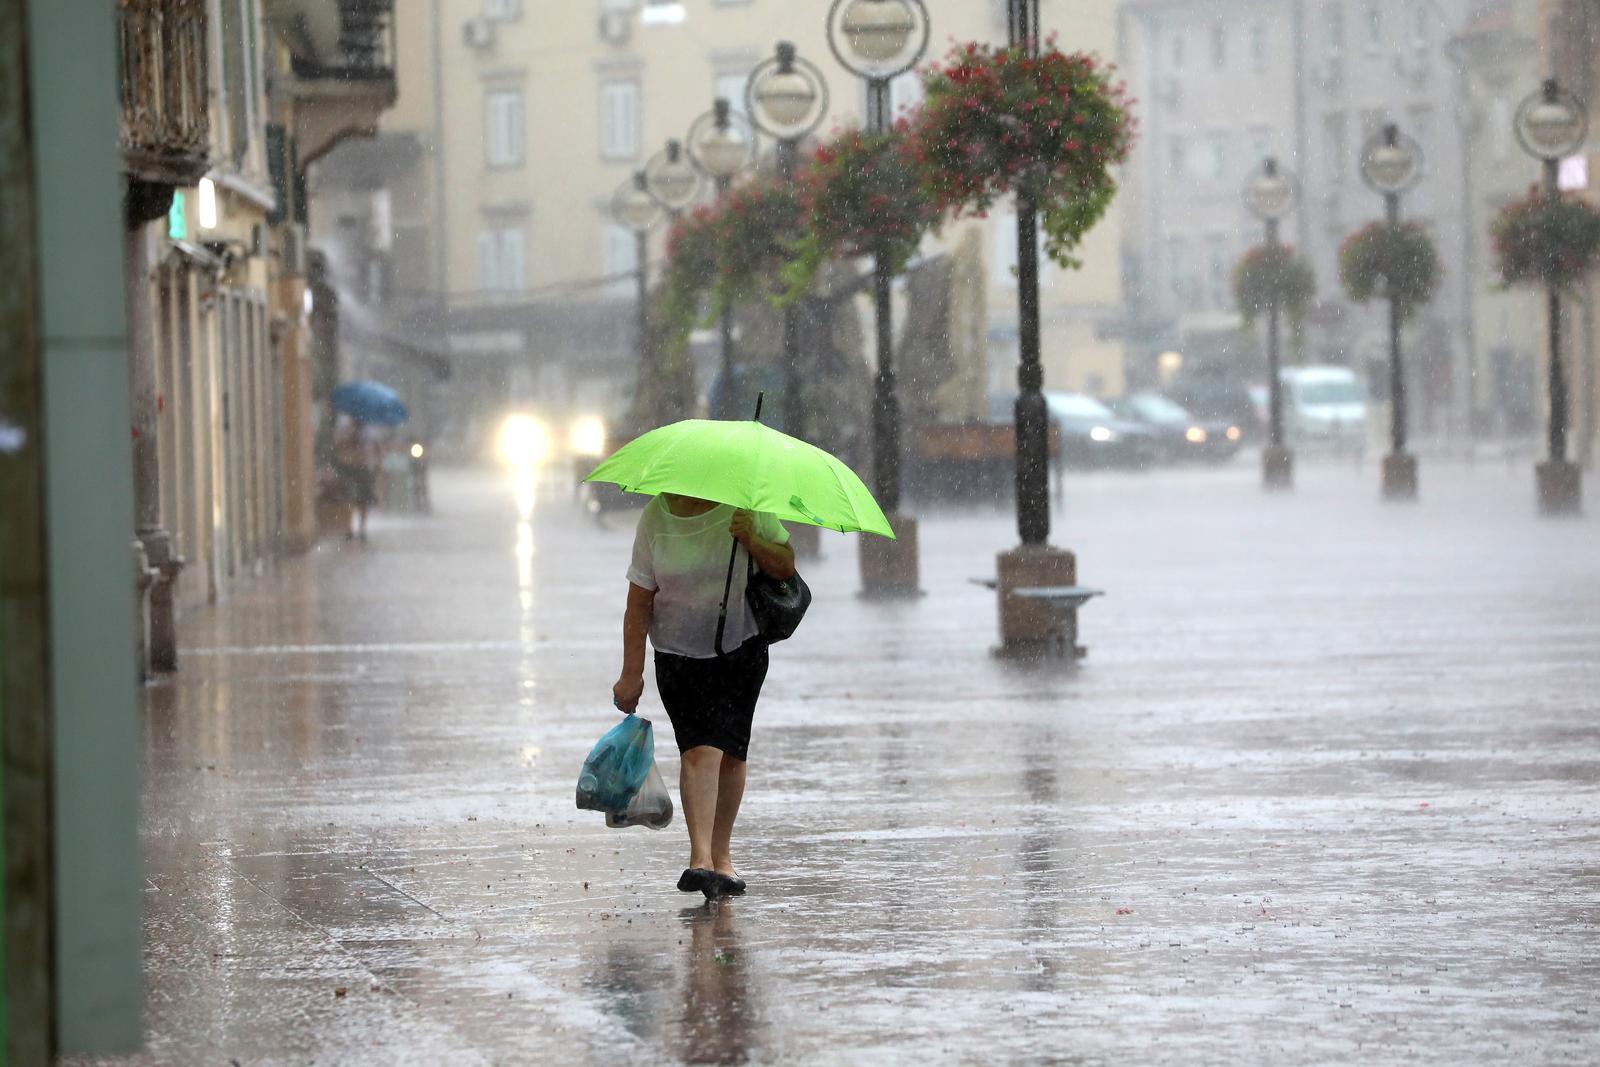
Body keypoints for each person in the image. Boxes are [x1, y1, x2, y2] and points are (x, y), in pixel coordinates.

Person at [612, 493, 795, 899]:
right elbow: (638, 600)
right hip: (677, 657)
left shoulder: (747, 506)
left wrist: (752, 538)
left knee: (732, 753)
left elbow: (784, 567)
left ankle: (722, 857)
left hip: (741, 651)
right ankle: (701, 859)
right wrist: (631, 671)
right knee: (699, 750)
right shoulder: (656, 517)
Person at [333, 416, 380, 541]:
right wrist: (350, 438)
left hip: (364, 468)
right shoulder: (345, 428)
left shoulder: (370, 431)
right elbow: (339, 446)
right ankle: (348, 528)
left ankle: (362, 528)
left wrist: (374, 461)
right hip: (349, 467)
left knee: (363, 500)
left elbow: (376, 449)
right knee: (348, 499)